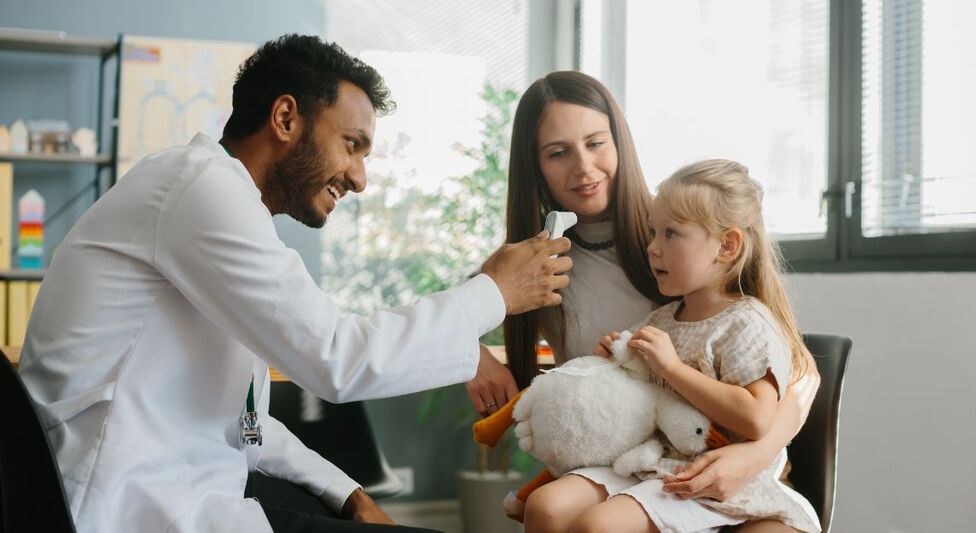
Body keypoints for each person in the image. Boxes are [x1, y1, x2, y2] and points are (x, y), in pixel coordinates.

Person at [17, 35, 572, 533]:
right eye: (352, 144)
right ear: (285, 118)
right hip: (114, 500)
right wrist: (495, 292)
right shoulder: (200, 190)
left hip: (191, 484)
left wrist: (349, 493)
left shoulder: (224, 211)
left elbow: (246, 423)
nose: (359, 177)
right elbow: (337, 356)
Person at [464, 72, 820, 533]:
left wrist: (753, 455)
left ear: (620, 143)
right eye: (558, 152)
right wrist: (473, 356)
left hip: (717, 455)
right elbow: (448, 316)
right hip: (627, 458)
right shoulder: (535, 260)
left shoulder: (680, 233)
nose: (584, 168)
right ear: (535, 167)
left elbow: (802, 374)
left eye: (596, 143)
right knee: (548, 511)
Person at [529, 159, 821, 532]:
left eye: (671, 234)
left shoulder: (748, 323)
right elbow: (631, 373)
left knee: (599, 526)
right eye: (653, 232)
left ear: (727, 245)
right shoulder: (664, 318)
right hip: (654, 462)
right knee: (547, 505)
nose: (652, 247)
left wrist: (672, 369)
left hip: (709, 479)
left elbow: (757, 419)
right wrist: (613, 357)